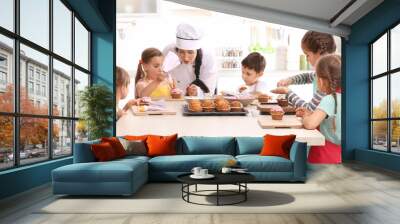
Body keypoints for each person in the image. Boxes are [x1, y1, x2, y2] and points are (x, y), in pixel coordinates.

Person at [272, 31, 337, 110]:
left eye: (307, 55)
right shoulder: (321, 74)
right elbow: (307, 77)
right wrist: (290, 80)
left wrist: (287, 92)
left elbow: (309, 109)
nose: (306, 59)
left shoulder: (326, 80)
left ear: (319, 51)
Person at [300, 54, 342, 164]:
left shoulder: (330, 99)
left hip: (323, 156)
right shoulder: (347, 98)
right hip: (340, 156)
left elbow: (310, 124)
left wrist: (305, 116)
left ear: (322, 81)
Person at [163, 23, 217, 96]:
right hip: (173, 97)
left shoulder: (208, 56)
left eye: (190, 52)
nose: (186, 58)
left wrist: (197, 92)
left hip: (196, 100)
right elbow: (162, 77)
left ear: (197, 51)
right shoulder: (168, 51)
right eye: (181, 52)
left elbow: (209, 90)